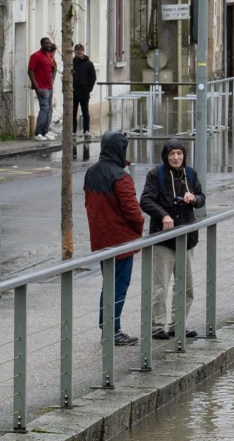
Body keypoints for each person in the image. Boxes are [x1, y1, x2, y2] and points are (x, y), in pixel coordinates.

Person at [82, 130, 144, 345]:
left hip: (101, 239)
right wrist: (138, 229)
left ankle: (107, 328)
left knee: (108, 284)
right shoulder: (121, 176)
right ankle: (112, 331)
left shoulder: (91, 172)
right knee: (119, 286)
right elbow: (132, 211)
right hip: (120, 240)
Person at [140, 138, 204, 341]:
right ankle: (157, 325)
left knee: (186, 285)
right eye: (172, 154)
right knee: (160, 285)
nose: (176, 158)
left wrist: (194, 199)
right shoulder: (156, 174)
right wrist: (163, 215)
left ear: (184, 155)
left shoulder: (190, 173)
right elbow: (145, 200)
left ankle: (178, 324)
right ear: (166, 156)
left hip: (186, 237)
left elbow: (201, 197)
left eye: (179, 154)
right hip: (164, 239)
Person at [28, 36, 57, 139]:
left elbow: (54, 67)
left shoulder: (50, 55)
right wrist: (37, 87)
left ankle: (45, 131)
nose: (48, 45)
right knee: (44, 108)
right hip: (41, 87)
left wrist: (53, 78)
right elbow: (30, 71)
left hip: (49, 86)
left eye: (49, 43)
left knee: (49, 109)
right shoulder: (36, 56)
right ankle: (38, 133)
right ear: (42, 44)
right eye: (46, 43)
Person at [70, 43, 97, 138]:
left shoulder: (89, 64)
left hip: (84, 92)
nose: (79, 52)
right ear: (74, 52)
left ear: (83, 51)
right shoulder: (71, 63)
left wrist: (88, 89)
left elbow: (93, 77)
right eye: (77, 50)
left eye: (81, 50)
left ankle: (86, 130)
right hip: (73, 92)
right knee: (73, 112)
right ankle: (73, 131)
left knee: (85, 112)